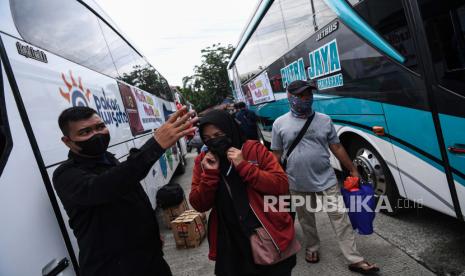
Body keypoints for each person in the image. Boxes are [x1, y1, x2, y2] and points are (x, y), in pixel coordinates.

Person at [53, 106, 197, 276]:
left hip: (149, 258)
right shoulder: (66, 174)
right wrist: (155, 145)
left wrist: (152, 233)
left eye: (100, 127)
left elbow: (134, 195)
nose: (97, 134)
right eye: (85, 132)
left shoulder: (109, 159)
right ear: (67, 141)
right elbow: (106, 187)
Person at [271, 80, 380, 274]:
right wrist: (269, 177)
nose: (306, 99)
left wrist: (353, 169)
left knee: (341, 218)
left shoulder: (324, 119)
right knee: (306, 219)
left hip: (326, 179)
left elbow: (337, 147)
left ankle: (354, 259)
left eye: (309, 95)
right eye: (301, 96)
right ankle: (312, 247)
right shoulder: (279, 123)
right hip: (297, 181)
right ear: (289, 96)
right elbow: (276, 155)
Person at [189, 109, 296, 276]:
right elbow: (199, 204)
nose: (214, 142)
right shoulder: (203, 160)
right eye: (208, 139)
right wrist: (209, 175)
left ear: (230, 130)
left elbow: (281, 185)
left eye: (218, 135)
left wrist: (244, 166)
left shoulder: (254, 150)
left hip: (266, 231)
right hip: (231, 241)